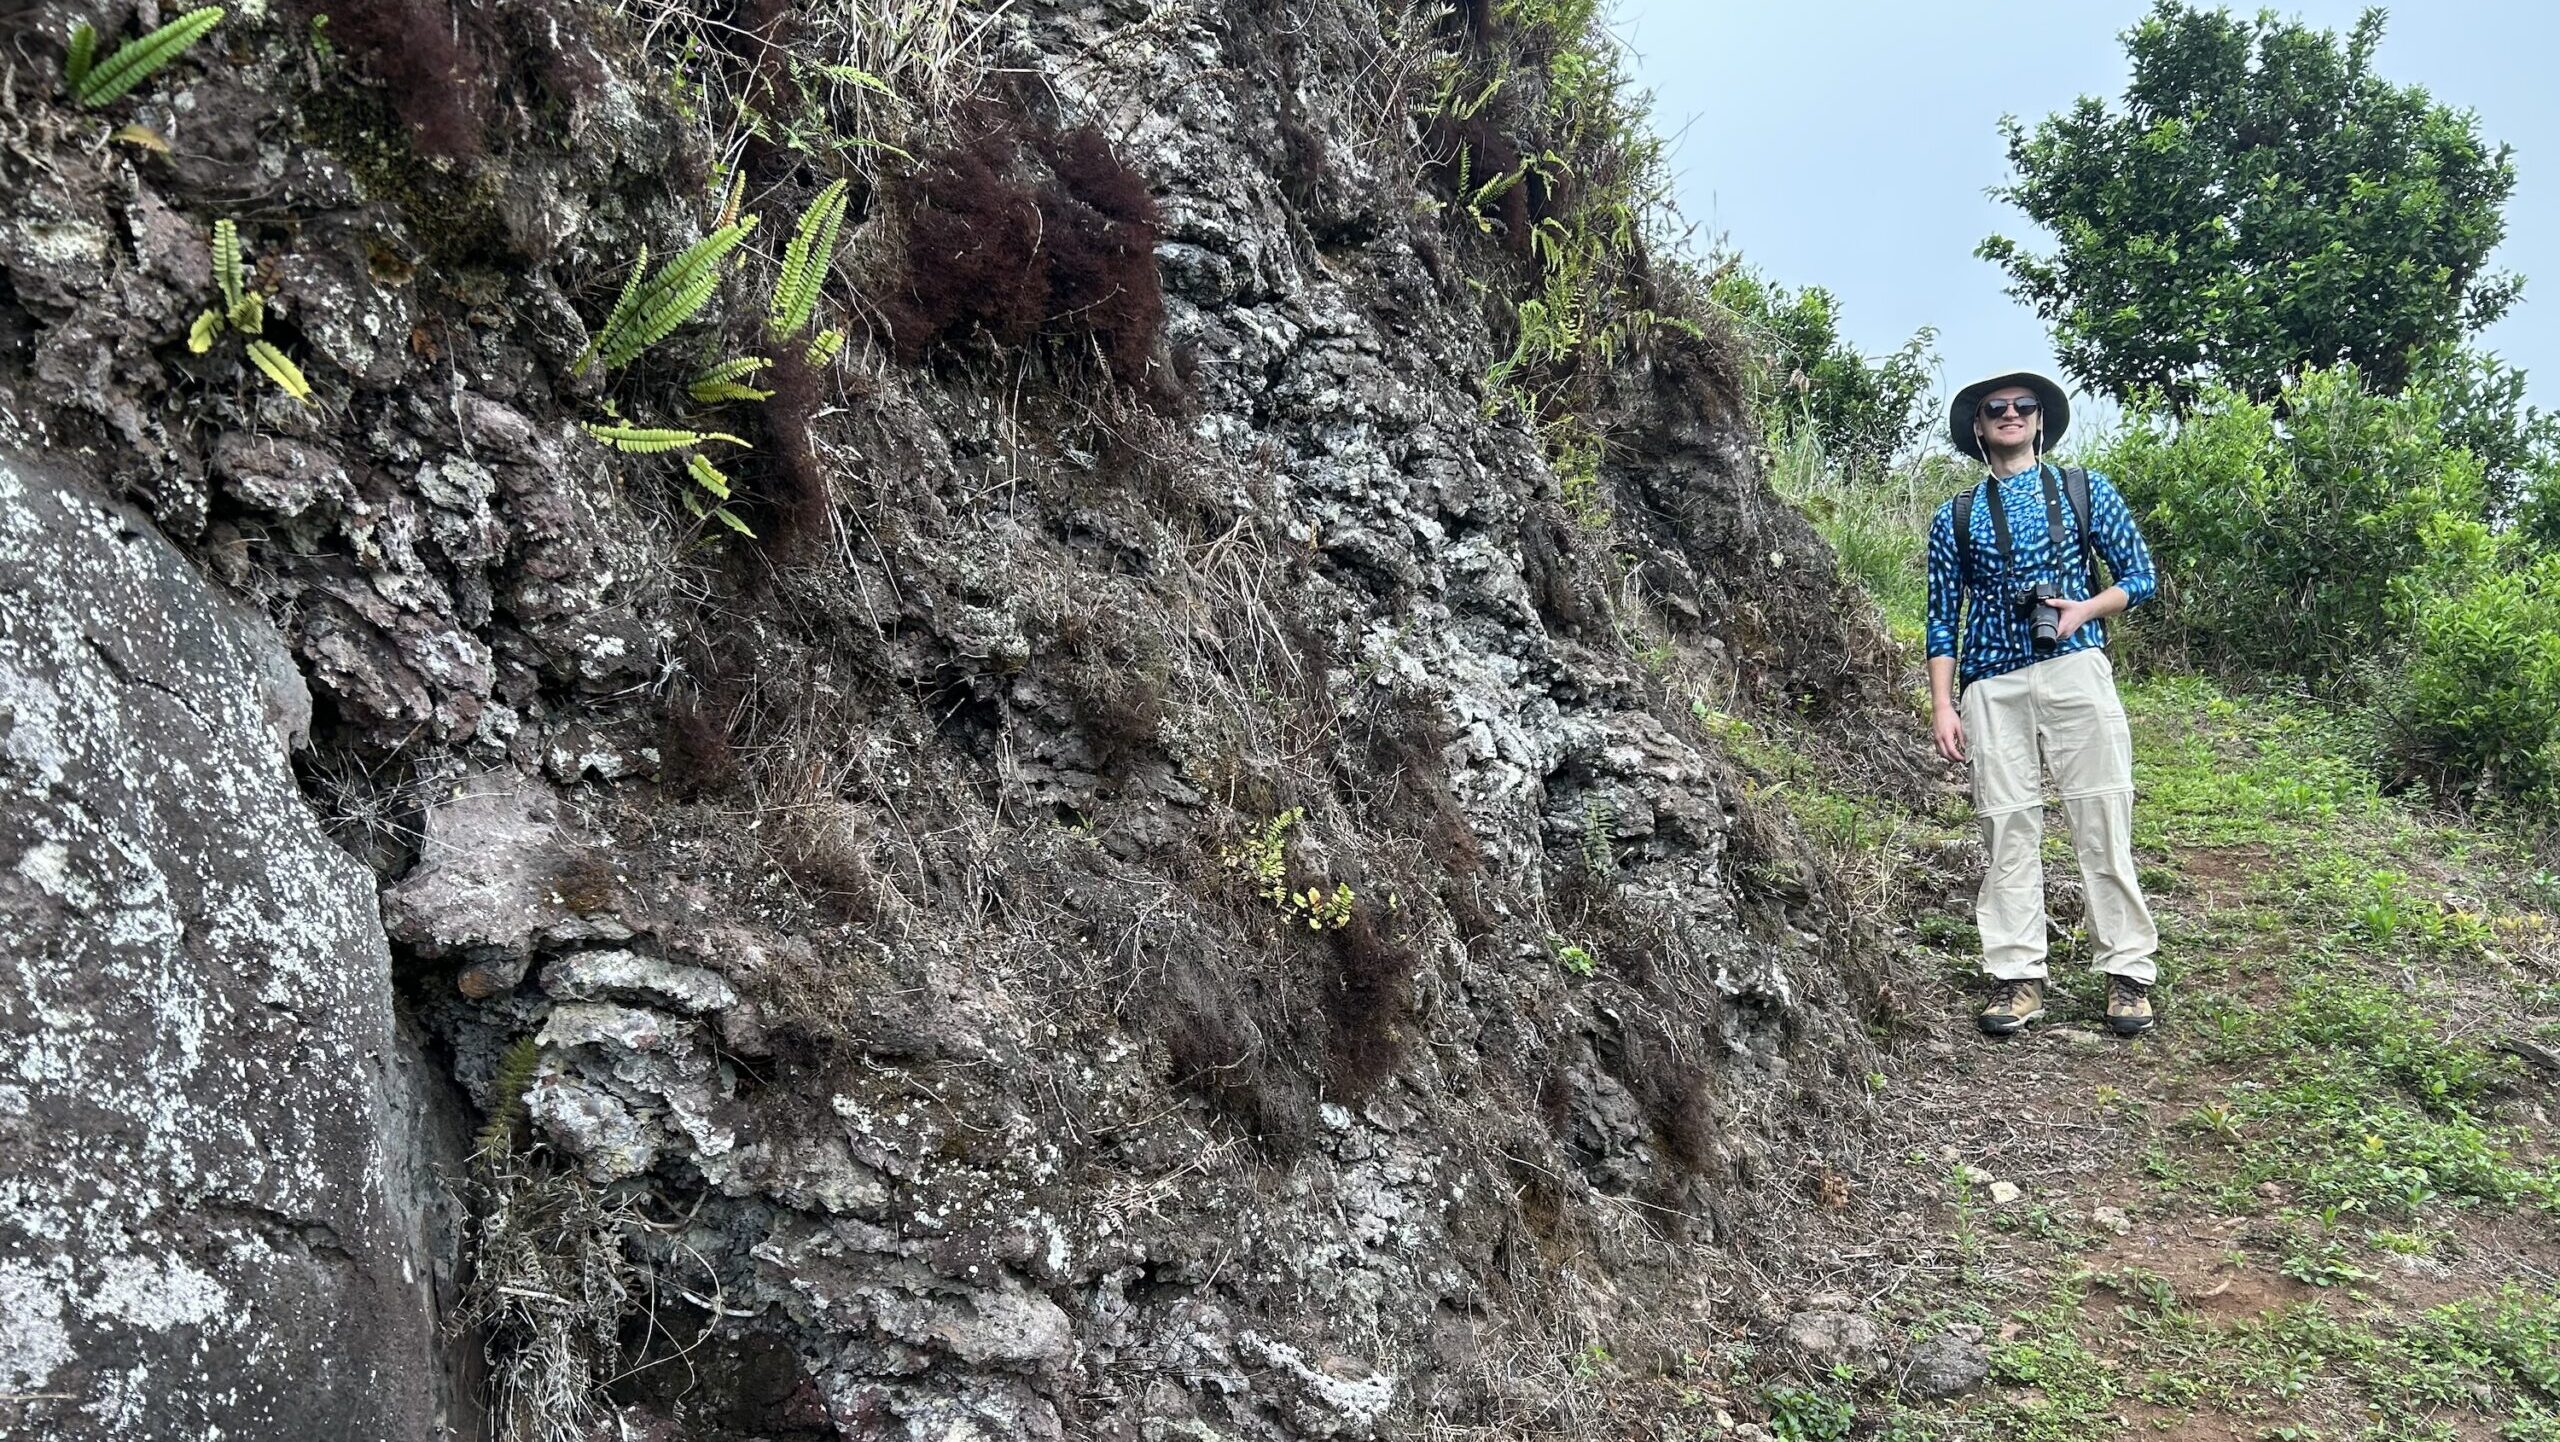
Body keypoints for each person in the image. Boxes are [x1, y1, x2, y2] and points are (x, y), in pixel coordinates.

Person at [1923, 371, 2162, 1037]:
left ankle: (2128, 974)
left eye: (2022, 406)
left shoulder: (2083, 489)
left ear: (2039, 421)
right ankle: (2016, 975)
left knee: (2102, 817)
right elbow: (1943, 619)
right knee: (2006, 828)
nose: (2009, 414)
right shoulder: (1957, 516)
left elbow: (2139, 575)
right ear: (1977, 426)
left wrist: (2084, 607)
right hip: (1990, 684)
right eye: (1994, 408)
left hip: (2075, 667)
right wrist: (1944, 705)